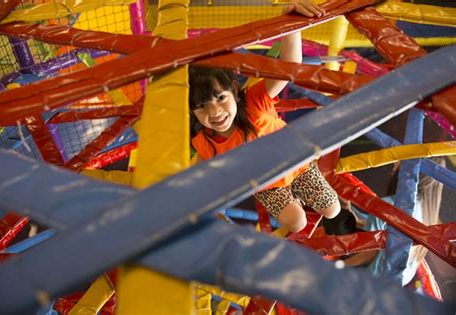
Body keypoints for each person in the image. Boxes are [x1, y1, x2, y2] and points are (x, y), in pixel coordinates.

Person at [189, 0, 340, 233]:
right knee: (297, 223)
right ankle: (293, 200)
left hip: (298, 164)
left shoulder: (253, 101)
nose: (215, 113)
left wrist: (291, 26)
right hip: (267, 184)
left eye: (220, 98)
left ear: (234, 90)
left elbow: (289, 68)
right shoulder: (205, 141)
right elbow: (198, 176)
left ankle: (305, 195)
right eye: (202, 106)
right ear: (192, 111)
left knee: (333, 210)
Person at [328, 158, 446, 286]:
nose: (395, 163)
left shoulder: (387, 206)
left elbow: (368, 254)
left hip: (373, 279)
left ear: (410, 170)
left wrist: (339, 266)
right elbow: (393, 232)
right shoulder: (428, 211)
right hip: (399, 282)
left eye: (400, 160)